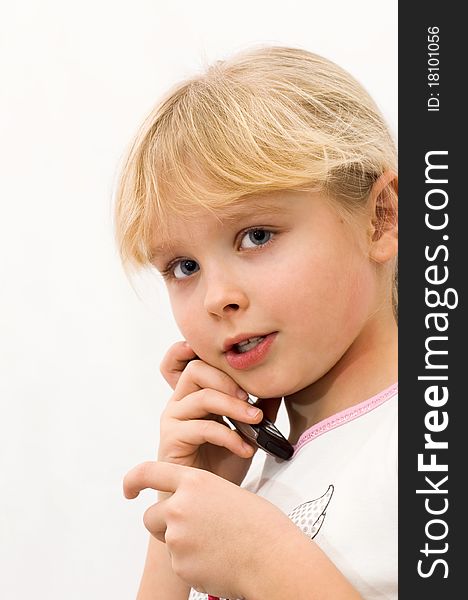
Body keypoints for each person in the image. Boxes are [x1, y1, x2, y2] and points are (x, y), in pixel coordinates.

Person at [115, 45, 398, 600]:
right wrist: (180, 508)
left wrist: (263, 560)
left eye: (257, 235)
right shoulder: (256, 485)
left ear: (381, 217)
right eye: (184, 267)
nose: (218, 297)